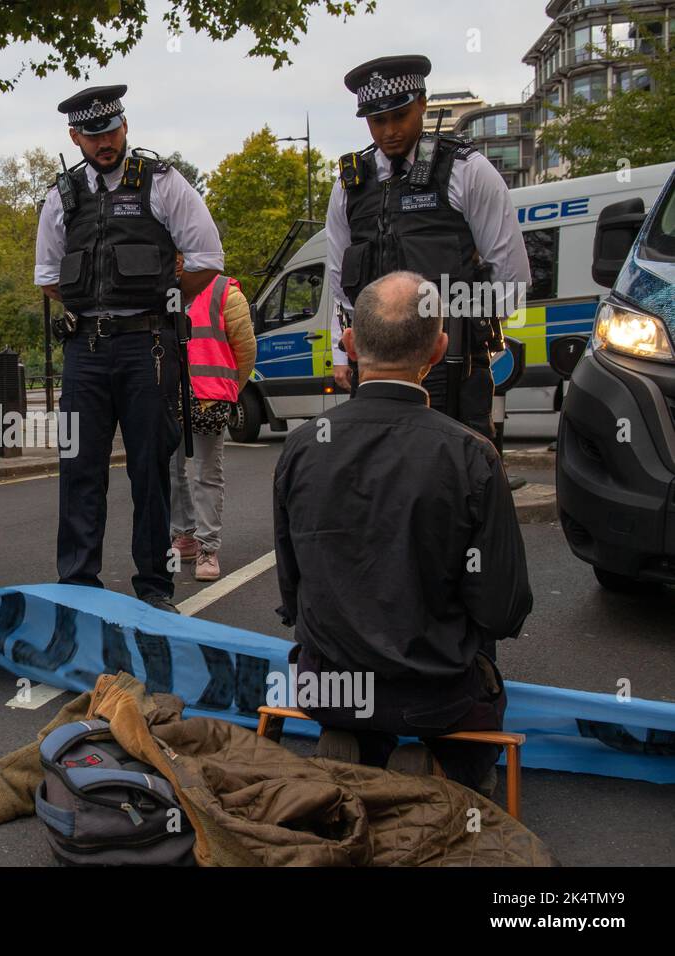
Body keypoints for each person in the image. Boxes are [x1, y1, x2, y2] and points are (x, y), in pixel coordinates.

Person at [273, 271, 532, 792]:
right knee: (472, 683)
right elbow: (502, 609)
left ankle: (355, 743)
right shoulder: (471, 456)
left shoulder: (301, 448)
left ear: (348, 343)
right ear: (437, 350)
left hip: (330, 688)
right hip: (437, 694)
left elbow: (291, 594)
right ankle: (446, 768)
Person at [35, 84, 224, 612]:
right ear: (75, 137)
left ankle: (155, 589)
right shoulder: (61, 196)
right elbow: (48, 275)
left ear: (125, 126)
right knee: (78, 469)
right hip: (84, 353)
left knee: (150, 471)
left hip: (149, 347)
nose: (105, 143)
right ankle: (77, 586)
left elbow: (207, 257)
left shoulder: (162, 183)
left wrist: (164, 302)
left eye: (112, 131)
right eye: (93, 135)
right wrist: (89, 306)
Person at [325, 54, 531, 444]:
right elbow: (340, 285)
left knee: (461, 469)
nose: (389, 132)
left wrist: (468, 331)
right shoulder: (349, 187)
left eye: (399, 116)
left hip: (450, 359)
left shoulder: (467, 170)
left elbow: (510, 275)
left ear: (422, 103)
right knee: (377, 472)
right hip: (374, 366)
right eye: (377, 121)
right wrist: (344, 357)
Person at [170, 255, 257, 582]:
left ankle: (208, 546)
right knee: (171, 470)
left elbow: (245, 351)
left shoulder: (224, 292)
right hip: (167, 398)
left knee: (206, 472)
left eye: (181, 253)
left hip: (208, 400)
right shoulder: (158, 288)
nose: (176, 261)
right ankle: (185, 535)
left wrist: (229, 390)